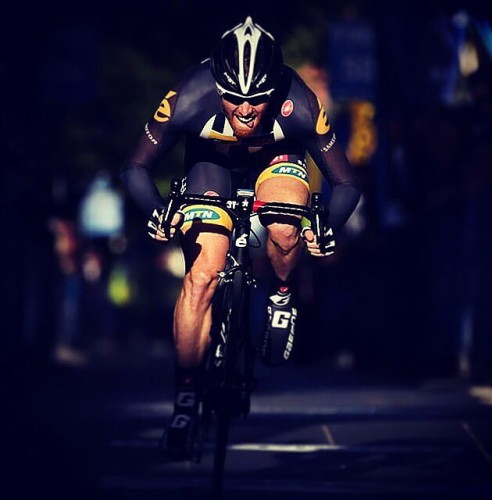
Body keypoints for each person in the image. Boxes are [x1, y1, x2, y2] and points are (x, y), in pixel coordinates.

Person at [121, 17, 361, 459]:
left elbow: (346, 183)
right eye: (234, 99)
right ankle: (187, 395)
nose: (246, 110)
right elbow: (135, 167)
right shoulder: (189, 95)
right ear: (217, 86)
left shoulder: (301, 103)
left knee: (287, 224)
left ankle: (282, 295)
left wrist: (326, 227)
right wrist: (157, 213)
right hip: (209, 166)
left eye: (258, 100)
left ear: (275, 90)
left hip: (277, 161)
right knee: (201, 276)